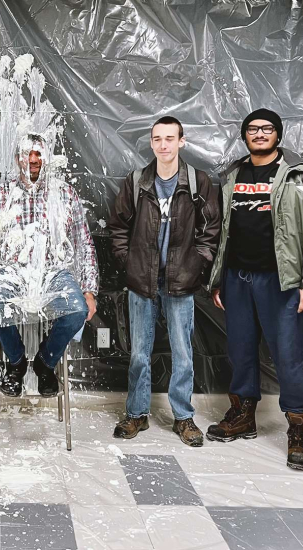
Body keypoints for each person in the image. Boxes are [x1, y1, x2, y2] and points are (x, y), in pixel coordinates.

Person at [206, 108, 303, 471]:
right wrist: (218, 278)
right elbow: (221, 229)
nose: (259, 134)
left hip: (282, 280)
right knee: (240, 351)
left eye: (267, 129)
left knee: (288, 355)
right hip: (238, 279)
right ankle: (243, 416)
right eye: (252, 129)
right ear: (244, 135)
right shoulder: (231, 174)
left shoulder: (300, 174)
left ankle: (297, 429)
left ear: (278, 134)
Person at [107, 116, 220, 445]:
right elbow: (118, 226)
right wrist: (128, 262)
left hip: (181, 281)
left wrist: (197, 264)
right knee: (139, 353)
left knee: (183, 353)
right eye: (158, 139)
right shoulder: (137, 181)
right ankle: (137, 414)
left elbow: (210, 232)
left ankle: (184, 418)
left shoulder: (198, 182)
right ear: (152, 143)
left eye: (170, 138)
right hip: (142, 280)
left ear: (181, 141)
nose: (164, 145)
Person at [0, 133, 98, 399]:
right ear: (18, 158)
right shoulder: (1, 195)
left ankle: (45, 362)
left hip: (53, 273)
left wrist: (88, 291)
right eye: (28, 153)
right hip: (10, 272)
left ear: (46, 157)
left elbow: (83, 243)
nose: (33, 159)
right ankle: (16, 363)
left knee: (77, 310)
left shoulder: (64, 194)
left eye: (39, 153)